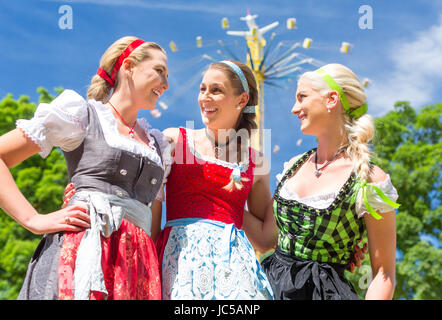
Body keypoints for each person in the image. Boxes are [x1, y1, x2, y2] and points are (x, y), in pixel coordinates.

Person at [0, 36, 170, 299]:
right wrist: (33, 220)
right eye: (160, 72)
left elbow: (153, 223)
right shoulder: (83, 116)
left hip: (137, 268)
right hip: (80, 253)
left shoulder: (158, 144)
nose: (166, 84)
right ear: (129, 66)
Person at [245, 63, 399, 300]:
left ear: (331, 99)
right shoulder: (293, 166)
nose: (294, 109)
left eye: (302, 97)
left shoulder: (370, 180)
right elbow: (266, 240)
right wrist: (219, 198)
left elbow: (383, 272)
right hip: (268, 288)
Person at [153, 60, 274, 300]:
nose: (204, 97)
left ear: (242, 100)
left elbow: (264, 240)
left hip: (235, 270)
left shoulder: (256, 163)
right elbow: (151, 211)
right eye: (202, 89)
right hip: (179, 264)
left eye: (216, 90)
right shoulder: (174, 140)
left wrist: (291, 189)